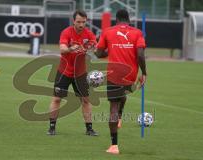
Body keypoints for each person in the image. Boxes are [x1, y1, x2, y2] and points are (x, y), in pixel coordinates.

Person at [95, 9, 147, 154]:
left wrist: (107, 50)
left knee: (113, 106)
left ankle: (114, 146)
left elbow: (99, 54)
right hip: (131, 75)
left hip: (115, 74)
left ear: (116, 20)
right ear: (128, 20)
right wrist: (144, 73)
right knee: (122, 94)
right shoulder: (137, 32)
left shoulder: (108, 31)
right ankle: (119, 117)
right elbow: (141, 55)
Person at [47, 10, 98, 136]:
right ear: (73, 21)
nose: (81, 24)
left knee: (86, 100)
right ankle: (52, 127)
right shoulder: (66, 32)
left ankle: (89, 129)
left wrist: (92, 48)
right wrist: (70, 49)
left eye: (84, 22)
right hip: (64, 71)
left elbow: (96, 48)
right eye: (78, 22)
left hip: (80, 73)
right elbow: (62, 49)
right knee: (57, 98)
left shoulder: (89, 34)